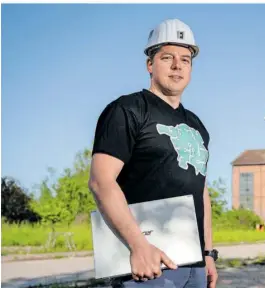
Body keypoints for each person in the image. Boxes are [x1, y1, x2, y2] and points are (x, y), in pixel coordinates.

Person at [88, 18, 218, 288]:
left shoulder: (197, 126)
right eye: (167, 57)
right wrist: (138, 245)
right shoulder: (127, 110)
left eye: (185, 59)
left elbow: (200, 190)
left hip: (192, 263)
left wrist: (208, 253)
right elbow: (101, 181)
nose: (177, 66)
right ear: (150, 64)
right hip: (145, 264)